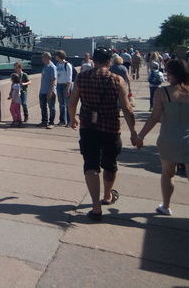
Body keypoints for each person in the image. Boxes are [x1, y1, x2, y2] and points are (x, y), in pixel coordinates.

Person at [69, 46, 141, 221]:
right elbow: (127, 108)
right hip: (111, 128)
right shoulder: (117, 80)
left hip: (88, 128)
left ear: (94, 60)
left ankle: (96, 207)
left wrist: (72, 119)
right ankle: (107, 196)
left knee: (91, 165)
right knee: (110, 164)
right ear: (109, 61)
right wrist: (134, 132)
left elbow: (72, 102)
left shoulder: (81, 77)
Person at [136, 59, 189, 216]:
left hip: (168, 138)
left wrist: (140, 136)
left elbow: (154, 117)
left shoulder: (162, 92)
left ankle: (166, 206)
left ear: (170, 73)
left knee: (168, 173)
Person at [38, 52, 57, 128]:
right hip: (43, 90)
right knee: (43, 107)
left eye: (43, 57)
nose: (42, 59)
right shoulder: (45, 66)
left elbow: (53, 80)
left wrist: (50, 91)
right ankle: (44, 121)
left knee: (51, 107)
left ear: (47, 58)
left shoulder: (52, 67)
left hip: (49, 91)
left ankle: (51, 122)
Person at [55, 50, 73, 126]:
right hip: (59, 85)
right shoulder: (58, 64)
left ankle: (69, 121)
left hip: (65, 85)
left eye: (56, 55)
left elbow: (69, 78)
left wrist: (68, 88)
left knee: (68, 104)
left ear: (59, 56)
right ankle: (62, 120)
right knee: (61, 104)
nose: (55, 56)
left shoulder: (67, 65)